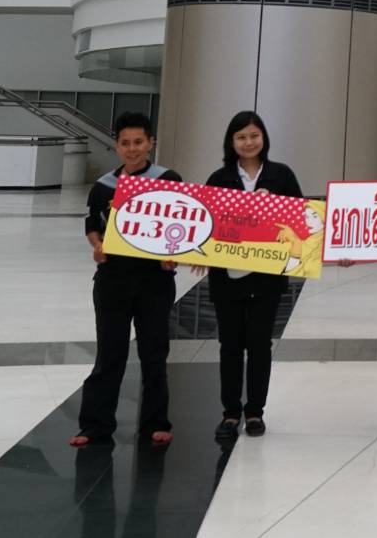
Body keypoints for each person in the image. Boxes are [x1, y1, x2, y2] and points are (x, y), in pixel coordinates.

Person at [70, 112, 180, 449]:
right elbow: (92, 225)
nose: (132, 149)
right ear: (117, 145)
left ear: (151, 143)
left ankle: (156, 423)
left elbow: (183, 226)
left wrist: (171, 254)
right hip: (113, 281)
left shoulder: (168, 180)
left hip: (154, 282)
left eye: (138, 142)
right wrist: (97, 246)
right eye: (125, 143)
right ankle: (95, 425)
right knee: (110, 353)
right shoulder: (104, 185)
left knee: (154, 353)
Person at [201, 110, 304, 441]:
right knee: (230, 344)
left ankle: (255, 411)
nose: (248, 142)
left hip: (267, 278)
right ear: (231, 142)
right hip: (226, 278)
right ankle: (231, 413)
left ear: (264, 138)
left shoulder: (281, 176)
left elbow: (300, 220)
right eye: (241, 137)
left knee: (259, 344)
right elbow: (206, 225)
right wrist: (199, 252)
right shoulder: (219, 179)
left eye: (254, 136)